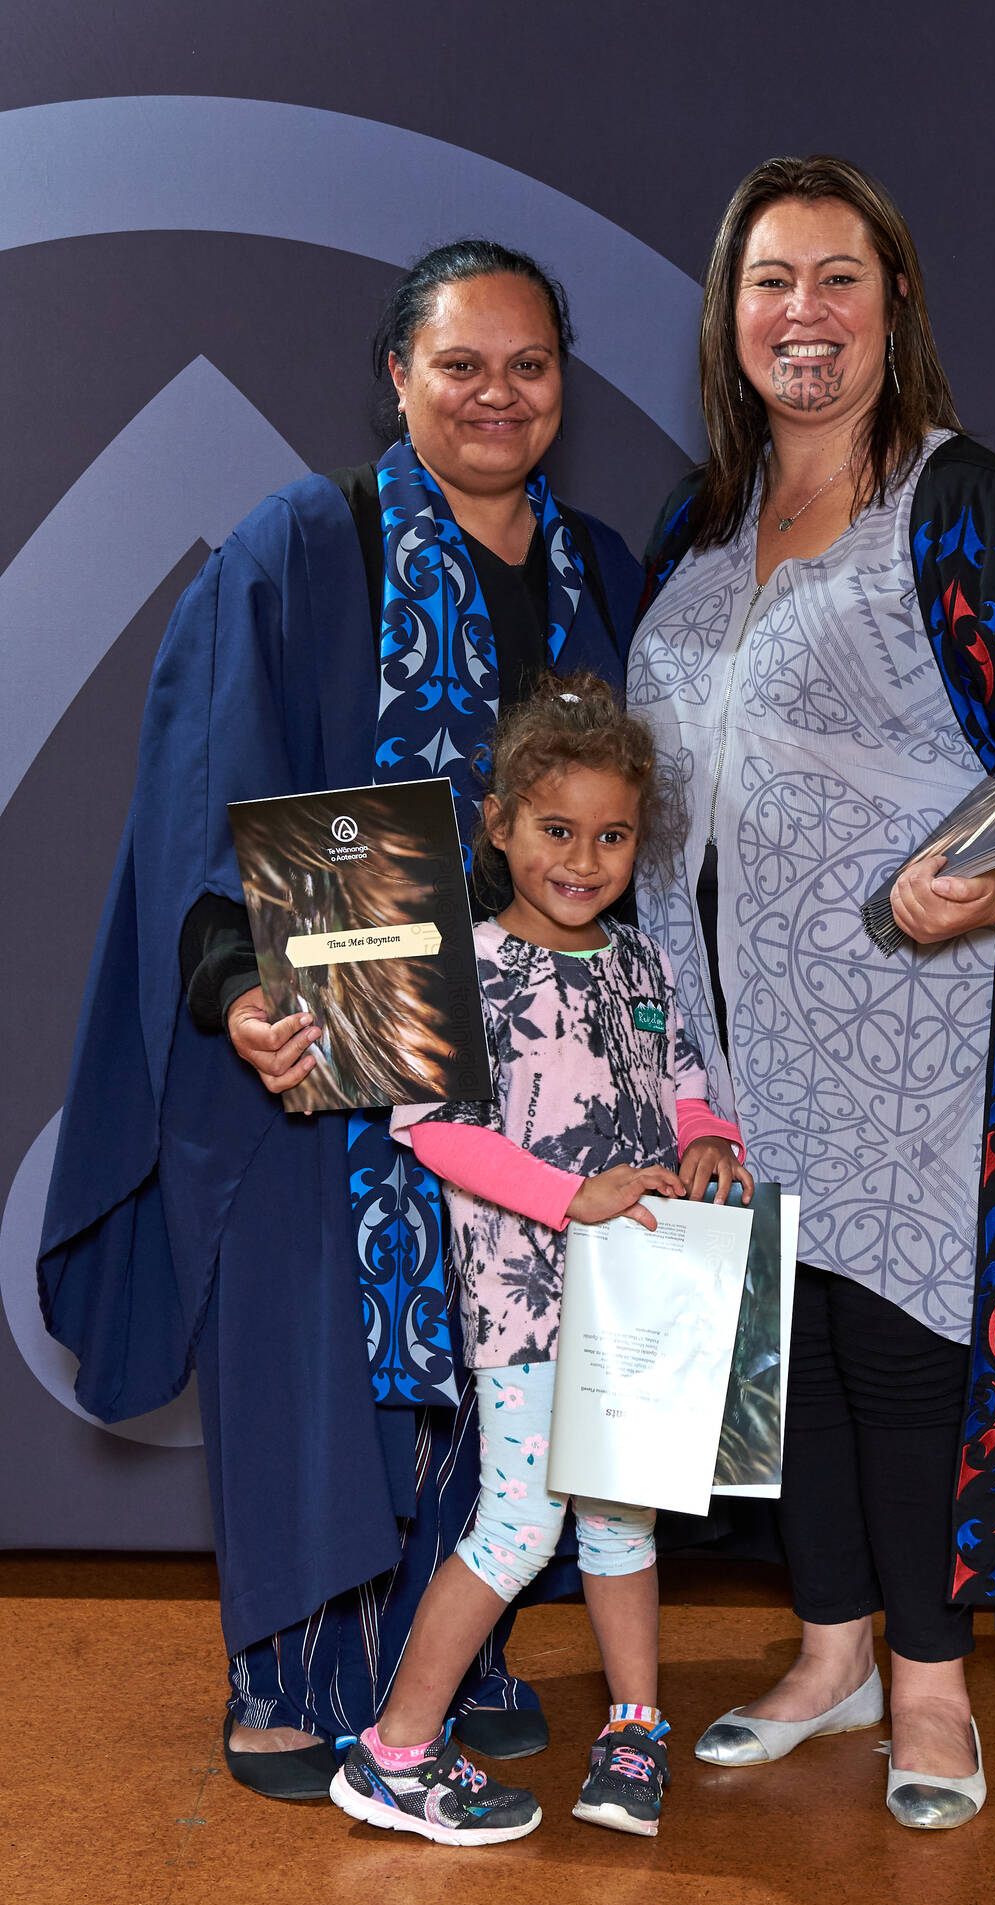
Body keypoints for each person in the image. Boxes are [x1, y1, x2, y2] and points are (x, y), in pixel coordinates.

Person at [630, 155, 995, 1829]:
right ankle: (829, 1657)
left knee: (898, 1347)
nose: (800, 314)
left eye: (837, 278)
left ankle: (931, 1686)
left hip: (923, 1032)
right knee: (786, 1345)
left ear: (895, 307)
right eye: (769, 281)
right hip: (731, 1028)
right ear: (728, 316)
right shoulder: (694, 527)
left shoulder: (975, 519)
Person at [38, 240, 643, 1799]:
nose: (496, 395)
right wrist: (238, 991)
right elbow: (204, 785)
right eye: (460, 365)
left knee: (507, 1364)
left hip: (540, 1062)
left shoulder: (599, 571)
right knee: (330, 1363)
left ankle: (458, 1664)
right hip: (344, 1041)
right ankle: (297, 1689)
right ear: (397, 377)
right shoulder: (308, 545)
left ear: (561, 384)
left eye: (528, 365)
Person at [330, 674, 750, 1844]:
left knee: (622, 1524)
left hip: (644, 1296)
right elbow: (436, 1131)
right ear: (499, 825)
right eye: (556, 829)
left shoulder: (644, 965)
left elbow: (681, 1085)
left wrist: (707, 1138)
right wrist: (575, 1198)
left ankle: (635, 1730)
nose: (583, 858)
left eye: (611, 835)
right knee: (518, 1529)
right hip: (528, 1306)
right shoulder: (459, 967)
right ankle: (395, 1755)